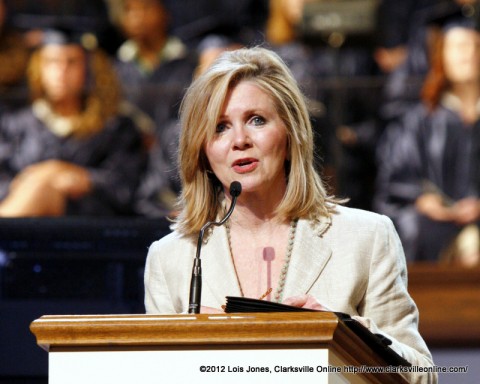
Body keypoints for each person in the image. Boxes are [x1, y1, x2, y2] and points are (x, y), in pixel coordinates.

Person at [144, 47, 436, 383]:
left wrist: (343, 333)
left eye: (257, 120)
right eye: (220, 127)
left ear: (290, 133)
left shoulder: (366, 237)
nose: (239, 140)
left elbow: (421, 375)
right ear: (201, 149)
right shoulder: (171, 258)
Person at [0, 27, 147, 217]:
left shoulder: (114, 126)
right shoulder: (16, 124)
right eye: (52, 62)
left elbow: (127, 186)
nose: (61, 71)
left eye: (71, 62)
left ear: (89, 69)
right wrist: (38, 180)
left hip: (88, 226)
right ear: (38, 68)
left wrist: (82, 178)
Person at [375, 11, 480, 265]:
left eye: (476, 46)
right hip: (434, 223)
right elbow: (396, 178)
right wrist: (422, 199)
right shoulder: (420, 120)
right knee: (415, 227)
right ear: (441, 55)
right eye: (458, 46)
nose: (468, 54)